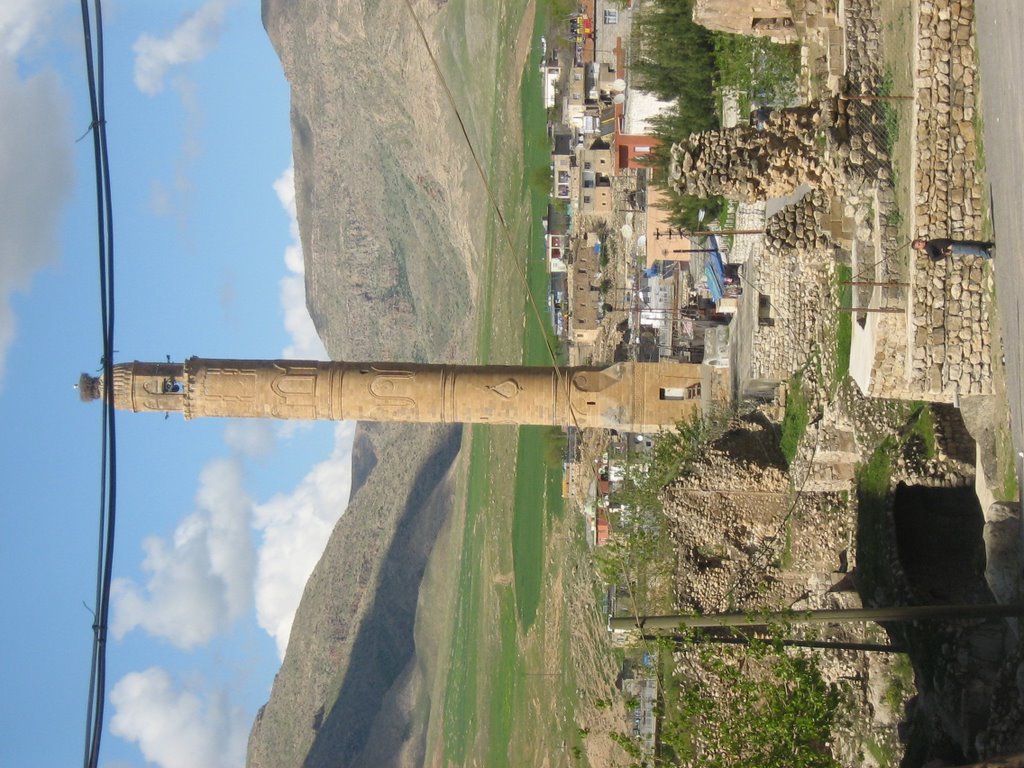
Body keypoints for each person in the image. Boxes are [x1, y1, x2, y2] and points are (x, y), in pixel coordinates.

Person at [912, 237, 994, 260]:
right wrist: (943, 254)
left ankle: (988, 245)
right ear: (919, 249)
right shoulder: (928, 248)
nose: (920, 242)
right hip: (954, 247)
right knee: (972, 249)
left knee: (972, 243)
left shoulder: (928, 243)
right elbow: (933, 258)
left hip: (953, 242)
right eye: (919, 244)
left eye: (919, 241)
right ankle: (988, 255)